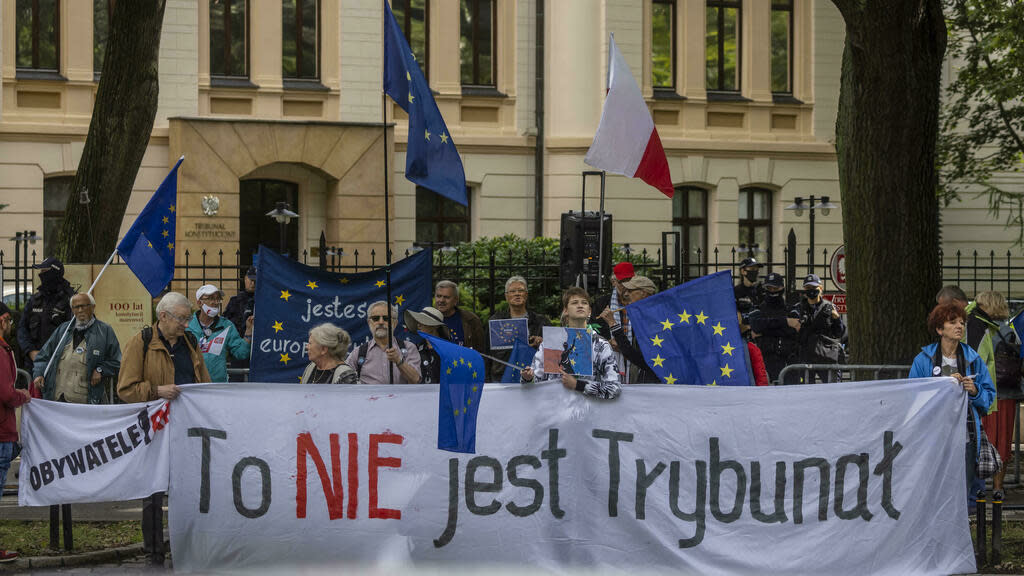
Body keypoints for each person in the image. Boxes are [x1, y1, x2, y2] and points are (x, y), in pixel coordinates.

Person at [118, 292, 211, 567]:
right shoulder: (142, 342)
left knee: (190, 489)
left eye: (188, 318)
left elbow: (203, 382)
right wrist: (156, 391)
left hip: (186, 429)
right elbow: (125, 389)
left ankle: (187, 546)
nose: (186, 324)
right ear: (163, 316)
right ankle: (154, 552)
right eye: (181, 318)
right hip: (154, 429)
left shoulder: (191, 342)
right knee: (153, 492)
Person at [909, 302, 995, 507]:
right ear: (940, 329)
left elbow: (989, 397)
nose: (960, 326)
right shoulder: (923, 360)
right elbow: (913, 397)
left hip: (965, 436)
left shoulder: (973, 360)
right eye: (952, 322)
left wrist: (975, 391)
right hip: (933, 437)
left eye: (962, 323)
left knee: (963, 490)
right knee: (932, 489)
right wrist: (942, 385)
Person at [520, 287, 621, 399]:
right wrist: (527, 378)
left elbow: (614, 388)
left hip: (588, 413)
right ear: (566, 310)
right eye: (574, 302)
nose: (580, 305)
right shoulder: (551, 342)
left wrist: (579, 385)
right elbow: (535, 384)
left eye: (584, 303)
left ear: (589, 311)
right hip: (553, 411)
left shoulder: (601, 344)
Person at [32, 293, 121, 404]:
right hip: (57, 399)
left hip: (85, 403)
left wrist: (100, 370)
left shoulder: (105, 331)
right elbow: (43, 356)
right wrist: (39, 373)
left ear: (93, 307)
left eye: (84, 306)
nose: (80, 310)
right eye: (76, 307)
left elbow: (117, 361)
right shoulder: (63, 329)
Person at [973, 291, 1016, 496]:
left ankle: (978, 487)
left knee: (981, 438)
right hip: (1006, 392)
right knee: (1003, 440)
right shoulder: (1010, 332)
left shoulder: (979, 329)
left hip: (984, 392)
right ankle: (998, 487)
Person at [0, 303, 30, 563]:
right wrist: (23, 395)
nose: (10, 326)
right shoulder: (0, 351)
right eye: (8, 320)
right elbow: (6, 393)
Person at [486, 276, 551, 382]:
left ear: (526, 295)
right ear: (506, 296)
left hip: (533, 378)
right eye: (512, 291)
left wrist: (542, 343)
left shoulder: (541, 322)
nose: (517, 294)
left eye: (521, 290)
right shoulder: (496, 321)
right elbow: (487, 353)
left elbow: (552, 352)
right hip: (501, 378)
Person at [599, 275, 660, 383]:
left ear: (644, 293)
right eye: (625, 290)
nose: (626, 294)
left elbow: (638, 357)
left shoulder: (654, 318)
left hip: (655, 384)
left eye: (631, 290)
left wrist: (613, 324)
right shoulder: (644, 316)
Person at [17, 257, 75, 371]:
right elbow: (22, 328)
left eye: (44, 271)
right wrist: (31, 351)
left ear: (54, 272)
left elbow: (78, 332)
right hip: (34, 364)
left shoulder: (72, 300)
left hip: (61, 366)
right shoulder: (35, 300)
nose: (41, 274)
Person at [186, 285, 251, 383]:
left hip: (218, 386)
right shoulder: (187, 325)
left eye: (218, 299)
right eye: (211, 298)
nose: (216, 302)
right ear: (199, 303)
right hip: (192, 385)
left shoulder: (227, 325)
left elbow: (241, 353)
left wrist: (249, 331)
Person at [346, 301, 421, 384]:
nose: (381, 322)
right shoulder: (358, 353)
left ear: (395, 323)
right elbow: (344, 378)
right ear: (369, 322)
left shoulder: (408, 348)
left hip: (400, 396)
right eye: (375, 318)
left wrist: (399, 361)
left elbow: (416, 380)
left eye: (386, 318)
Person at [748, 272, 800, 384]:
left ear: (782, 288)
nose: (772, 291)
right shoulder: (757, 308)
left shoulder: (791, 309)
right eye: (769, 288)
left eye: (775, 288)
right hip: (764, 361)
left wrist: (766, 329)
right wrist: (785, 321)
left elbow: (794, 329)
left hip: (788, 362)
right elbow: (756, 326)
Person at [794, 274, 845, 383]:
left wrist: (836, 318)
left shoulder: (830, 307)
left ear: (820, 289)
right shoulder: (799, 308)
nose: (811, 291)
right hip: (806, 357)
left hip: (826, 357)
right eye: (808, 288)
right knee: (806, 392)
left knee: (833, 391)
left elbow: (839, 332)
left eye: (814, 288)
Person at [433, 280, 486, 353]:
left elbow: (481, 350)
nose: (441, 300)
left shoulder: (471, 320)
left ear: (456, 300)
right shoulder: (429, 320)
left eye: (446, 297)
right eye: (438, 296)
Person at [405, 306, 452, 384]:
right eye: (418, 321)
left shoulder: (449, 350)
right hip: (421, 394)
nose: (418, 325)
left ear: (436, 326)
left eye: (423, 321)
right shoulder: (416, 348)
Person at [591, 261, 634, 340]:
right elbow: (593, 329)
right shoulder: (601, 304)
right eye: (622, 282)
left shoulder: (639, 301)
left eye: (629, 281)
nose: (626, 286)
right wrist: (608, 342)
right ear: (613, 282)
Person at [224, 266, 257, 335]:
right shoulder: (235, 301)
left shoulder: (264, 301)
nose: (253, 283)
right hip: (238, 340)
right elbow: (225, 323)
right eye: (251, 280)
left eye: (256, 281)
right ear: (245, 279)